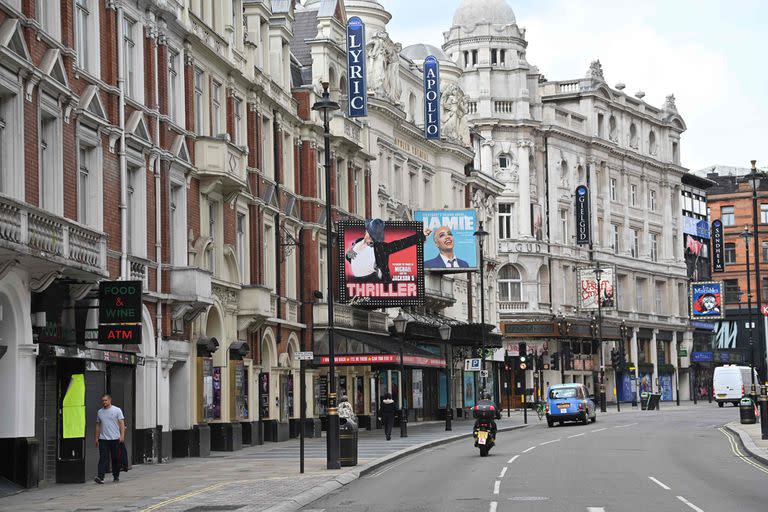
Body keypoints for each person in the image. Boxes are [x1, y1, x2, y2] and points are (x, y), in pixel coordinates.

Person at [346, 219, 431, 282]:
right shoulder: (357, 242)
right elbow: (349, 257)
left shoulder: (380, 248)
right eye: (370, 234)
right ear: (366, 231)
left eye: (374, 236)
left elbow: (402, 243)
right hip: (356, 281)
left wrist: (421, 235)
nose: (372, 238)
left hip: (371, 281)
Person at [94, 394, 125, 484]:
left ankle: (116, 476)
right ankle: (100, 477)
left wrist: (122, 436)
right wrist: (96, 438)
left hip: (115, 439)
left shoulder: (117, 410)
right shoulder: (100, 412)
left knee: (115, 458)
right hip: (103, 439)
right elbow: (98, 425)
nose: (104, 402)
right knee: (103, 458)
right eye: (103, 401)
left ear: (110, 400)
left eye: (106, 400)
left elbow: (122, 423)